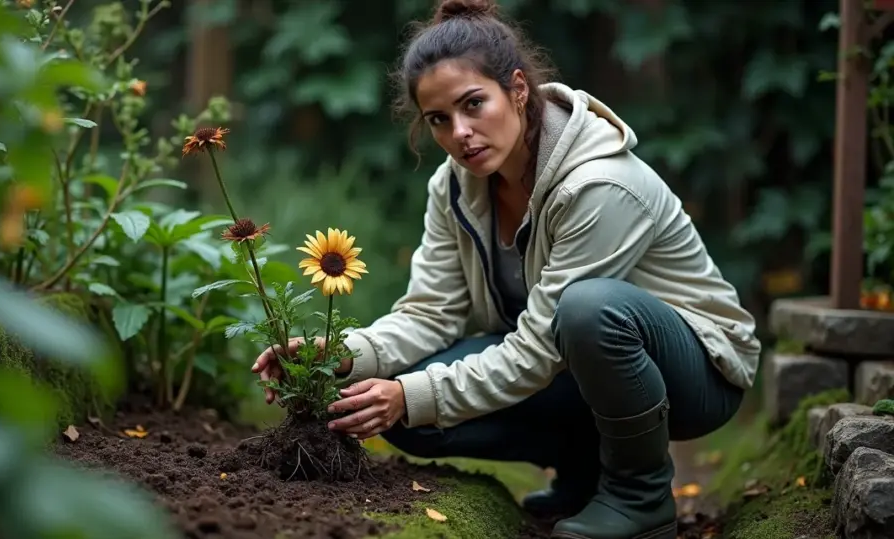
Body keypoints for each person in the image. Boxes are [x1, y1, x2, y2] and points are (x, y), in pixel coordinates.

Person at [251, 0, 761, 537]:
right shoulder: (452, 187)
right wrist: (346, 356)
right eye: (439, 120)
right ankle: (585, 473)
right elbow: (430, 312)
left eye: (474, 104)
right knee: (396, 401)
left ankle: (641, 497)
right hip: (573, 364)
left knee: (587, 310)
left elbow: (541, 347)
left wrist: (413, 396)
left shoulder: (601, 187)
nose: (460, 133)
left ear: (517, 90)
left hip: (697, 373)